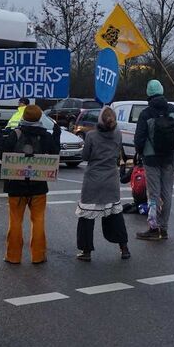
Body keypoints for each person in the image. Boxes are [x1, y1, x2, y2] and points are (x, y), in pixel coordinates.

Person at [0, 104, 60, 265]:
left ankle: (13, 256)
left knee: (15, 221)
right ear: (39, 118)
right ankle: (38, 256)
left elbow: (3, 155)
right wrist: (56, 136)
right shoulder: (45, 136)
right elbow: (54, 154)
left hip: (16, 186)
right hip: (38, 186)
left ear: (24, 118)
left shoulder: (15, 134)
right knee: (38, 220)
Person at [133, 80, 174, 241]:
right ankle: (163, 228)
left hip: (151, 158)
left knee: (153, 194)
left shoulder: (146, 113)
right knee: (167, 193)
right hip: (169, 157)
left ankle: (153, 227)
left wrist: (140, 153)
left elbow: (139, 139)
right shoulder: (172, 109)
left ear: (148, 94)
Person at [75, 107, 130, 261]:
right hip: (111, 179)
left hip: (93, 180)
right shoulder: (118, 134)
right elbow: (118, 151)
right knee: (115, 215)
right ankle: (124, 248)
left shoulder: (91, 136)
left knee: (86, 217)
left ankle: (86, 251)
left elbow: (85, 157)